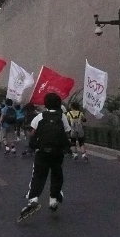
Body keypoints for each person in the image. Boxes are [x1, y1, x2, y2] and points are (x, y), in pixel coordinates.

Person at [18, 93, 71, 222]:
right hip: (58, 153)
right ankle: (53, 200)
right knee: (56, 175)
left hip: (42, 152)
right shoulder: (62, 117)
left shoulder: (40, 116)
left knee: (39, 175)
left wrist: (35, 144)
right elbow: (68, 132)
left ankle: (34, 198)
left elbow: (33, 133)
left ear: (46, 104)